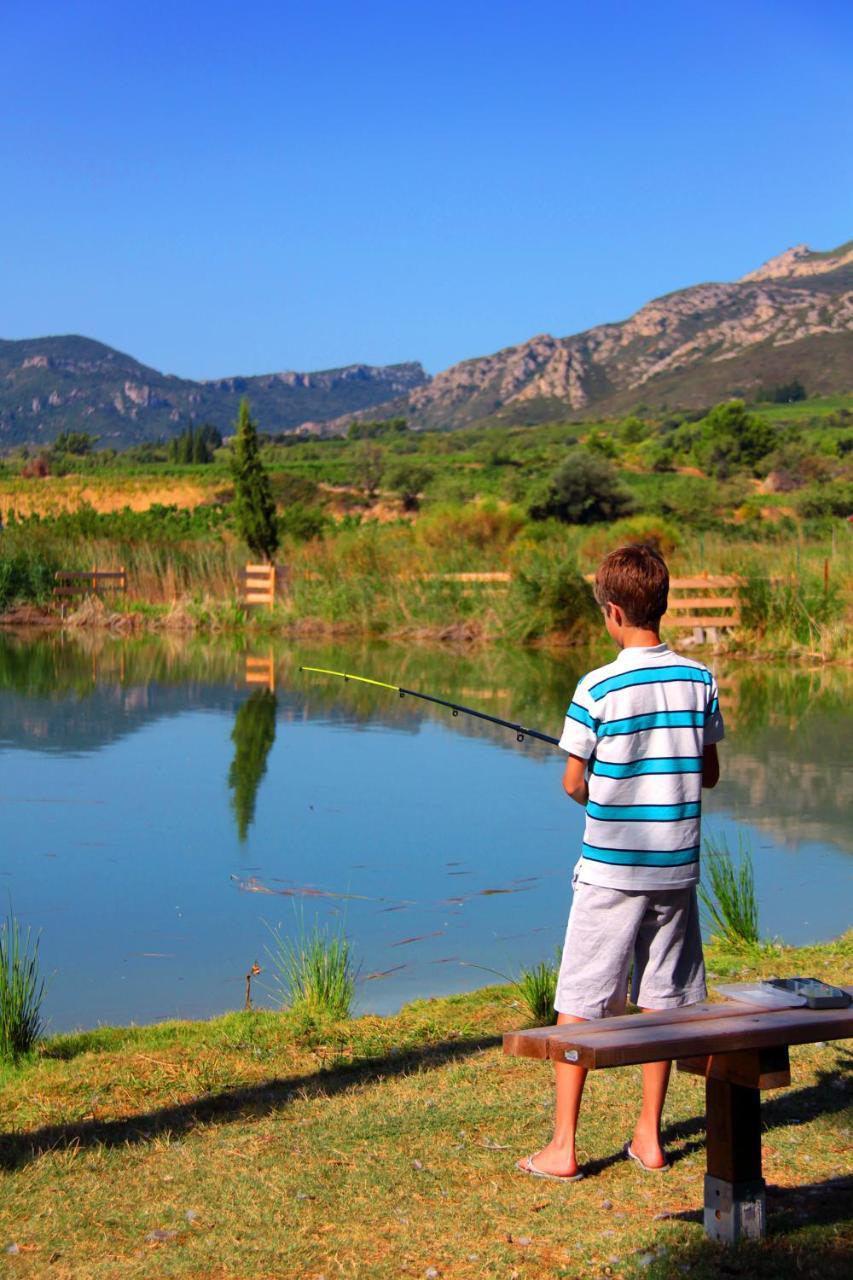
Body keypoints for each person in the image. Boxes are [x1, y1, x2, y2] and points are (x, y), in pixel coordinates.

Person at [517, 544, 723, 1182]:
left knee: (580, 998)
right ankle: (648, 1138)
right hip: (676, 871)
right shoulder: (700, 680)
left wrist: (602, 780)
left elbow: (574, 784)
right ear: (661, 604)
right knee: (661, 1000)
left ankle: (563, 1147)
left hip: (611, 870)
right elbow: (708, 772)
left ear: (612, 612)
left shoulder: (596, 686)